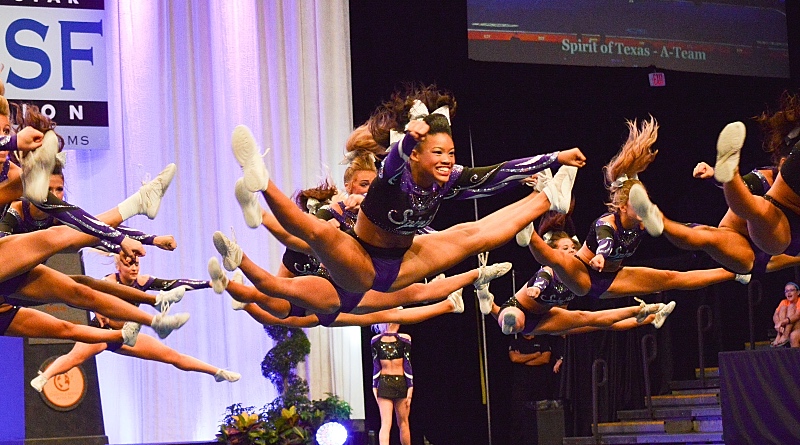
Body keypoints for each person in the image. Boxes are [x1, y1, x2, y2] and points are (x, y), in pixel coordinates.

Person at [227, 86, 585, 303]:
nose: (447, 161)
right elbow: (394, 161)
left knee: (471, 234)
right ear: (416, 154)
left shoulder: (448, 178)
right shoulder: (394, 178)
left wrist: (555, 157)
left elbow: (498, 173)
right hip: (362, 264)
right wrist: (409, 138)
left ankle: (549, 197)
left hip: (405, 261)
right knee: (316, 235)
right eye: (437, 153)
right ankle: (262, 182)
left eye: (451, 153)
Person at [523, 117, 749, 301]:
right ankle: (527, 228)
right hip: (584, 272)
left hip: (613, 277)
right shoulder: (606, 224)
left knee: (672, 278)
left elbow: (679, 229)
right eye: (637, 204)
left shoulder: (643, 220)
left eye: (644, 201)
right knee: (556, 261)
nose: (643, 207)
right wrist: (601, 256)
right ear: (622, 206)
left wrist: (702, 232)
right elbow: (606, 242)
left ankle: (734, 273)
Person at [631, 91, 800, 277]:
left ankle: (662, 221)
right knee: (758, 212)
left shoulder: (768, 174)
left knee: (707, 236)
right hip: (776, 230)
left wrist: (716, 176)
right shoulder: (772, 177)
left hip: (739, 236)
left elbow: (744, 187)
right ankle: (730, 174)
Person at [29, 257, 235, 393]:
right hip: (102, 333)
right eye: (128, 264)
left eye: (136, 264)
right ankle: (44, 377)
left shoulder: (143, 281)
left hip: (125, 337)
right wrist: (98, 311)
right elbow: (91, 298)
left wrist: (207, 284)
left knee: (172, 356)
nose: (134, 267)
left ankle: (216, 372)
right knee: (75, 357)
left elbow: (174, 283)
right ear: (118, 266)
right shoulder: (108, 282)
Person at [493, 231, 677, 335]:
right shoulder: (551, 268)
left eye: (574, 247)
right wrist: (536, 288)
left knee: (594, 320)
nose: (572, 251)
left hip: (544, 317)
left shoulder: (577, 275)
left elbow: (562, 303)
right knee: (514, 318)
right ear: (553, 252)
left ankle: (651, 311)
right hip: (521, 306)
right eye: (565, 249)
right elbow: (544, 277)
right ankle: (493, 307)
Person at [508, 333, 562, 445]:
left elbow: (545, 359)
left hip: (540, 385)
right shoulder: (516, 342)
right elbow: (514, 358)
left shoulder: (542, 340)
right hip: (521, 386)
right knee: (519, 418)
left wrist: (523, 360)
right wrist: (536, 354)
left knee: (541, 417)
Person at [371, 323, 413, 445]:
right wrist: (410, 388)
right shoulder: (405, 338)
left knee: (387, 423)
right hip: (399, 382)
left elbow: (376, 366)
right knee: (403, 423)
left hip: (385, 382)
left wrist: (374, 385)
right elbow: (407, 366)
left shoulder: (376, 340)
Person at [772, 281, 800, 348]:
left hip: (798, 327)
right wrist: (777, 324)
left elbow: (797, 316)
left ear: (798, 292)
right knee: (783, 308)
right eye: (786, 291)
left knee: (793, 336)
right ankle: (780, 335)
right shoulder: (784, 302)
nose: (789, 293)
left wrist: (782, 322)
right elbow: (775, 315)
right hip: (787, 328)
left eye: (791, 290)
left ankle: (785, 335)